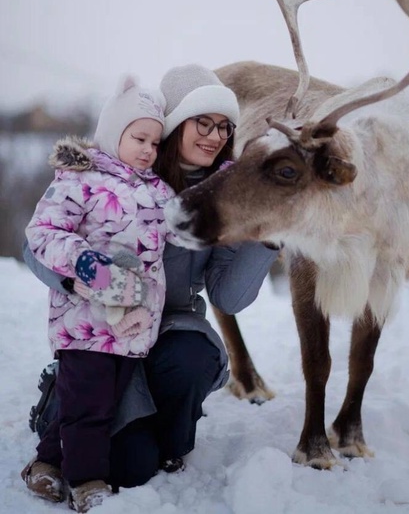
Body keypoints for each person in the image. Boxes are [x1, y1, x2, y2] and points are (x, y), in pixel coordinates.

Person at [22, 64, 280, 508]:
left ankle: (163, 438)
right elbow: (37, 244)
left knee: (187, 365)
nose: (215, 135)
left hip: (165, 329)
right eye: (204, 122)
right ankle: (59, 415)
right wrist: (88, 279)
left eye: (224, 126)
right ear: (174, 124)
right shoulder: (118, 170)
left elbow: (229, 297)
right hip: (102, 325)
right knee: (110, 437)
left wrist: (265, 229)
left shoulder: (220, 194)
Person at [21, 77, 178, 512]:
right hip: (84, 320)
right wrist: (86, 263)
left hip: (130, 326)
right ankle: (86, 482)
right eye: (139, 138)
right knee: (89, 408)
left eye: (155, 142)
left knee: (94, 404)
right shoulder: (80, 179)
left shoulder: (159, 191)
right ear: (114, 133)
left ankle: (46, 464)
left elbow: (185, 221)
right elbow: (43, 232)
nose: (148, 149)